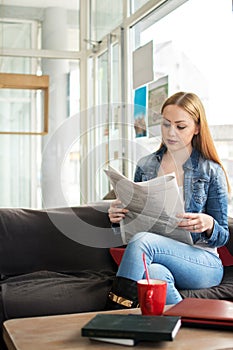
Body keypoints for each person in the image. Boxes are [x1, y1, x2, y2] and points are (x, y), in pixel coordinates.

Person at [106, 91, 230, 309]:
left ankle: (113, 314)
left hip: (203, 261)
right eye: (165, 124)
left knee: (143, 241)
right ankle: (185, 326)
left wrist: (209, 224)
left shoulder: (211, 170)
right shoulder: (146, 166)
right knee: (153, 274)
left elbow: (223, 236)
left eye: (180, 126)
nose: (171, 133)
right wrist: (118, 218)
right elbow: (134, 226)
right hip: (158, 256)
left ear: (197, 128)